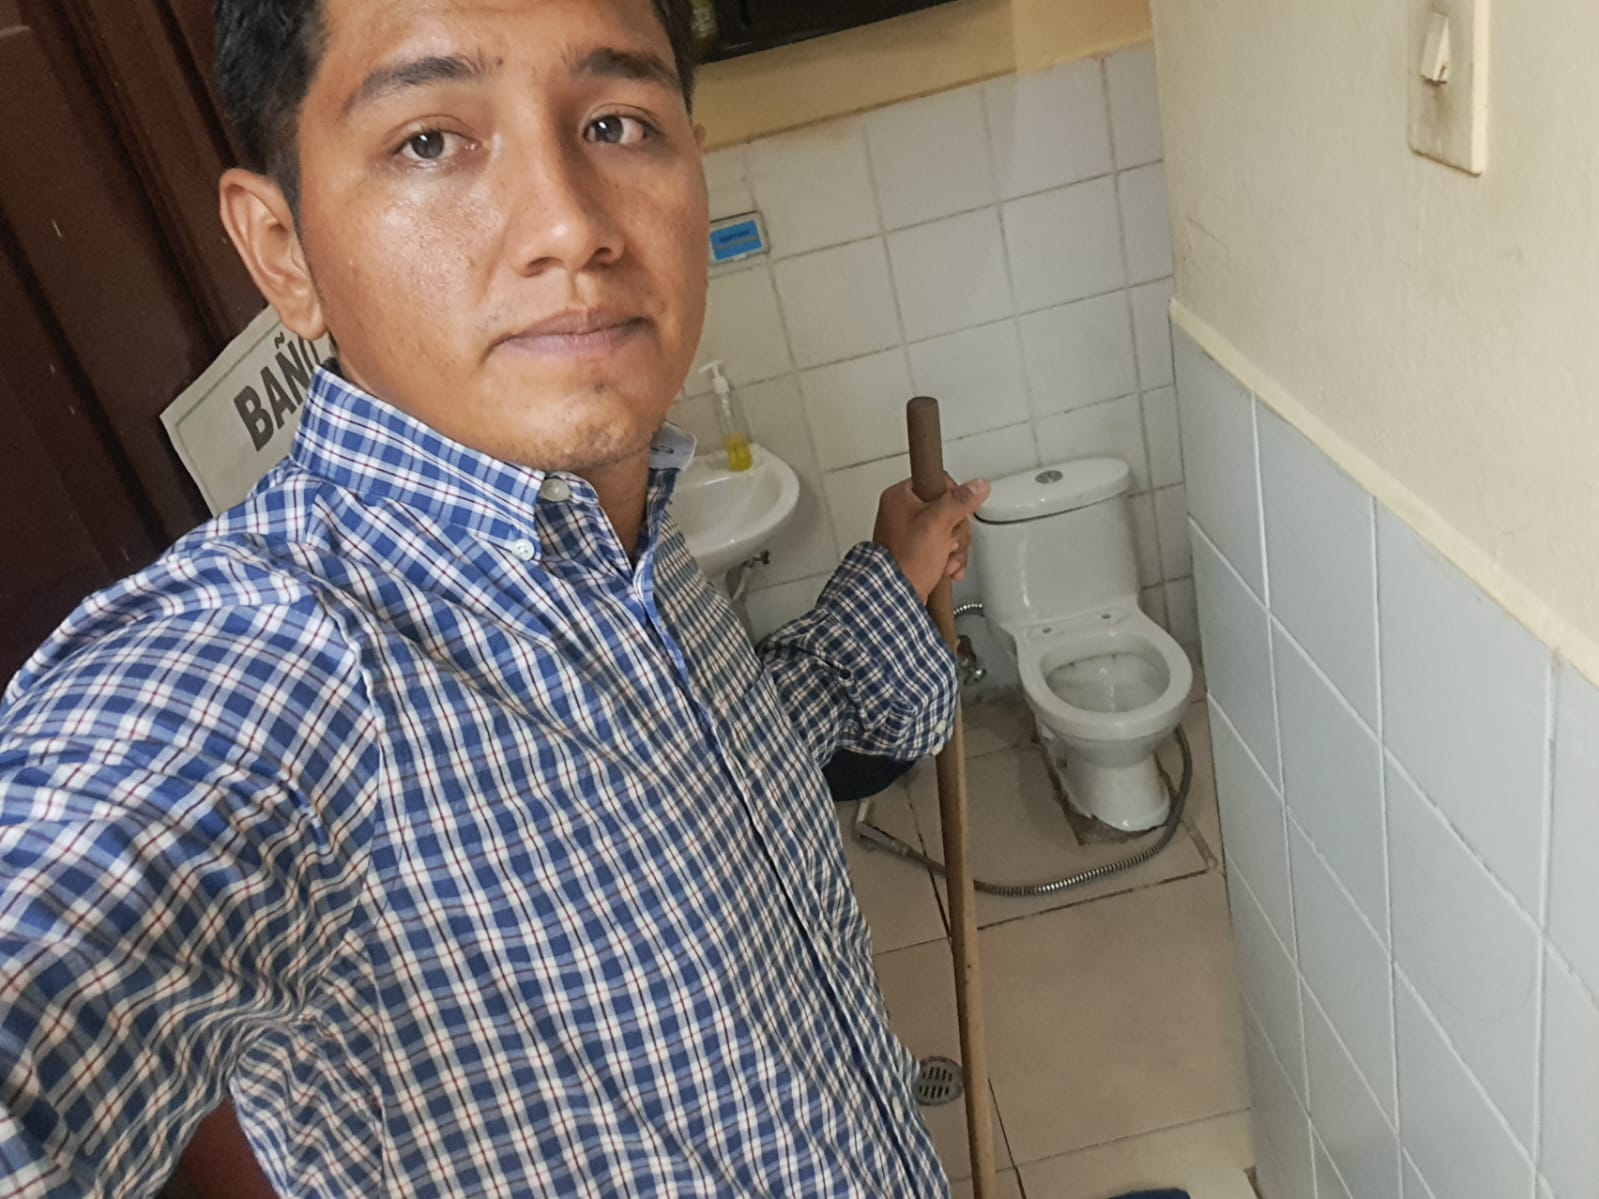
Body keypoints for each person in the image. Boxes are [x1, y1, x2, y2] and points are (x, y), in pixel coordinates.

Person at [0, 0, 992, 1194]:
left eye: (616, 123)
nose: (570, 226)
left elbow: (729, 762)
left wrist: (892, 575)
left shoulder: (635, 541)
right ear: (282, 252)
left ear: (693, 164)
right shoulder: (266, 663)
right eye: (430, 141)